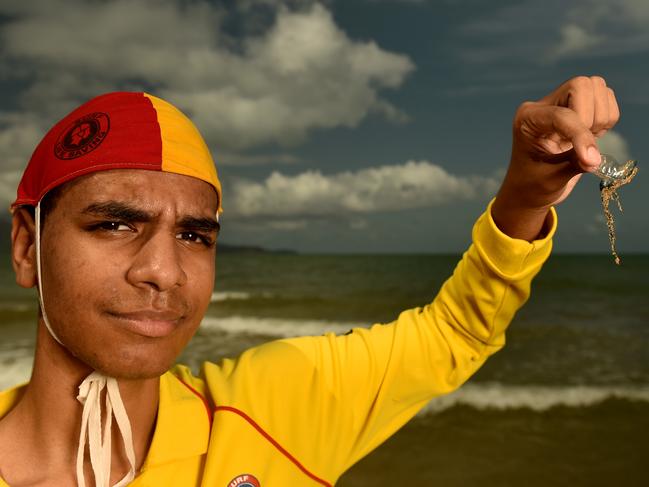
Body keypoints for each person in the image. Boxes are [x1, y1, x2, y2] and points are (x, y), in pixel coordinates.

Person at [0, 76, 618, 487]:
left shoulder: (270, 408)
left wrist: (525, 195)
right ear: (28, 247)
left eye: (195, 236)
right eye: (113, 224)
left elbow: (454, 331)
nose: (163, 271)